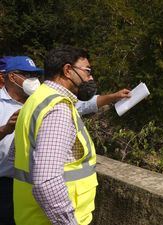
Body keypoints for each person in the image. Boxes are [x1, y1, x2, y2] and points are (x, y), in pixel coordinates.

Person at [0, 55, 130, 224]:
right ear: (11, 76)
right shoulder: (54, 107)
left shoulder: (38, 99)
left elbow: (85, 104)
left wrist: (114, 97)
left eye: (35, 75)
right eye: (26, 74)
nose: (32, 79)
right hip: (11, 186)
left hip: (25, 192)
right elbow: (46, 181)